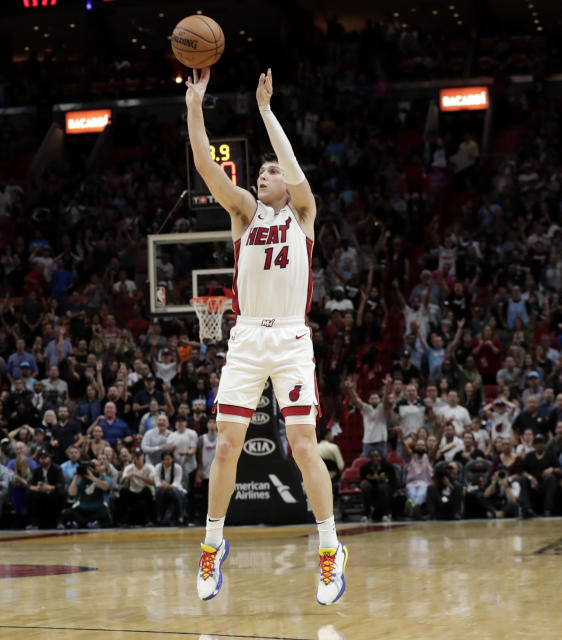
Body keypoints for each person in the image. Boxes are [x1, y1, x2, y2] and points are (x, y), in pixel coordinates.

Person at [187, 66, 345, 603]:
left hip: (293, 341)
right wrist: (194, 104)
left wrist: (266, 112)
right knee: (227, 445)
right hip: (248, 339)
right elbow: (208, 168)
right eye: (261, 171)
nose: (263, 174)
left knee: (304, 447)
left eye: (271, 171)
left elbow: (296, 172)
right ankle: (212, 545)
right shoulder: (245, 215)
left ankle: (330, 550)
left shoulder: (303, 214)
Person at [62, 457, 112, 528]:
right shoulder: (81, 479)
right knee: (66, 513)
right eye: (91, 466)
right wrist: (76, 476)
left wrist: (91, 477)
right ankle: (86, 523)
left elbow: (105, 487)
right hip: (82, 509)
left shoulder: (105, 478)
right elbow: (72, 493)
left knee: (105, 513)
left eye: (95, 466)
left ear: (99, 467)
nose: (92, 468)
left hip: (98, 508)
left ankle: (88, 523)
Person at [521, 434, 561, 516]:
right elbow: (523, 471)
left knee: (552, 479)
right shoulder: (529, 456)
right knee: (523, 480)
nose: (539, 445)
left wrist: (551, 469)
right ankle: (528, 509)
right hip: (533, 483)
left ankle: (547, 510)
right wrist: (530, 478)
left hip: (546, 482)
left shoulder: (551, 455)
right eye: (537, 443)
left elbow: (559, 469)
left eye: (541, 443)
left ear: (545, 444)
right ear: (534, 445)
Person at [26, 448, 64, 529]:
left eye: (45, 457)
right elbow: (30, 485)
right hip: (40, 491)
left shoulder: (57, 469)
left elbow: (61, 484)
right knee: (30, 494)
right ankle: (34, 522)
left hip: (52, 491)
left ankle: (59, 522)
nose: (43, 460)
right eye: (41, 458)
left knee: (60, 493)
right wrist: (37, 488)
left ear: (49, 458)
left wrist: (49, 487)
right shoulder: (36, 470)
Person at [358, 449, 397, 522]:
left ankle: (387, 514)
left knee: (382, 487)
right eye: (372, 457)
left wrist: (385, 480)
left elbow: (394, 483)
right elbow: (362, 481)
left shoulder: (388, 466)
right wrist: (363, 483)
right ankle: (366, 514)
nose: (374, 459)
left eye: (377, 456)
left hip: (386, 488)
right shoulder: (364, 467)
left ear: (381, 457)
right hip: (372, 488)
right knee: (365, 487)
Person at [118, 449, 155, 526]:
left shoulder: (149, 467)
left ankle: (148, 520)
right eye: (136, 456)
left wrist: (138, 476)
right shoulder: (129, 467)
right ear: (133, 457)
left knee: (146, 490)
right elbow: (120, 482)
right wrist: (127, 476)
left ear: (143, 456)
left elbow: (152, 482)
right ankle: (125, 520)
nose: (138, 457)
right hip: (133, 492)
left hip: (145, 492)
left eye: (139, 455)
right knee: (123, 490)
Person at [154, 451, 186, 525]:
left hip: (175, 489)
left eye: (168, 459)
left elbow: (176, 483)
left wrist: (167, 485)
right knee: (158, 492)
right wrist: (163, 486)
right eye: (165, 459)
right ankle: (159, 516)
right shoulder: (158, 467)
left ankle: (180, 516)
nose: (166, 461)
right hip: (162, 488)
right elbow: (157, 482)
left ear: (172, 459)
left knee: (174, 492)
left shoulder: (177, 467)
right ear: (162, 460)